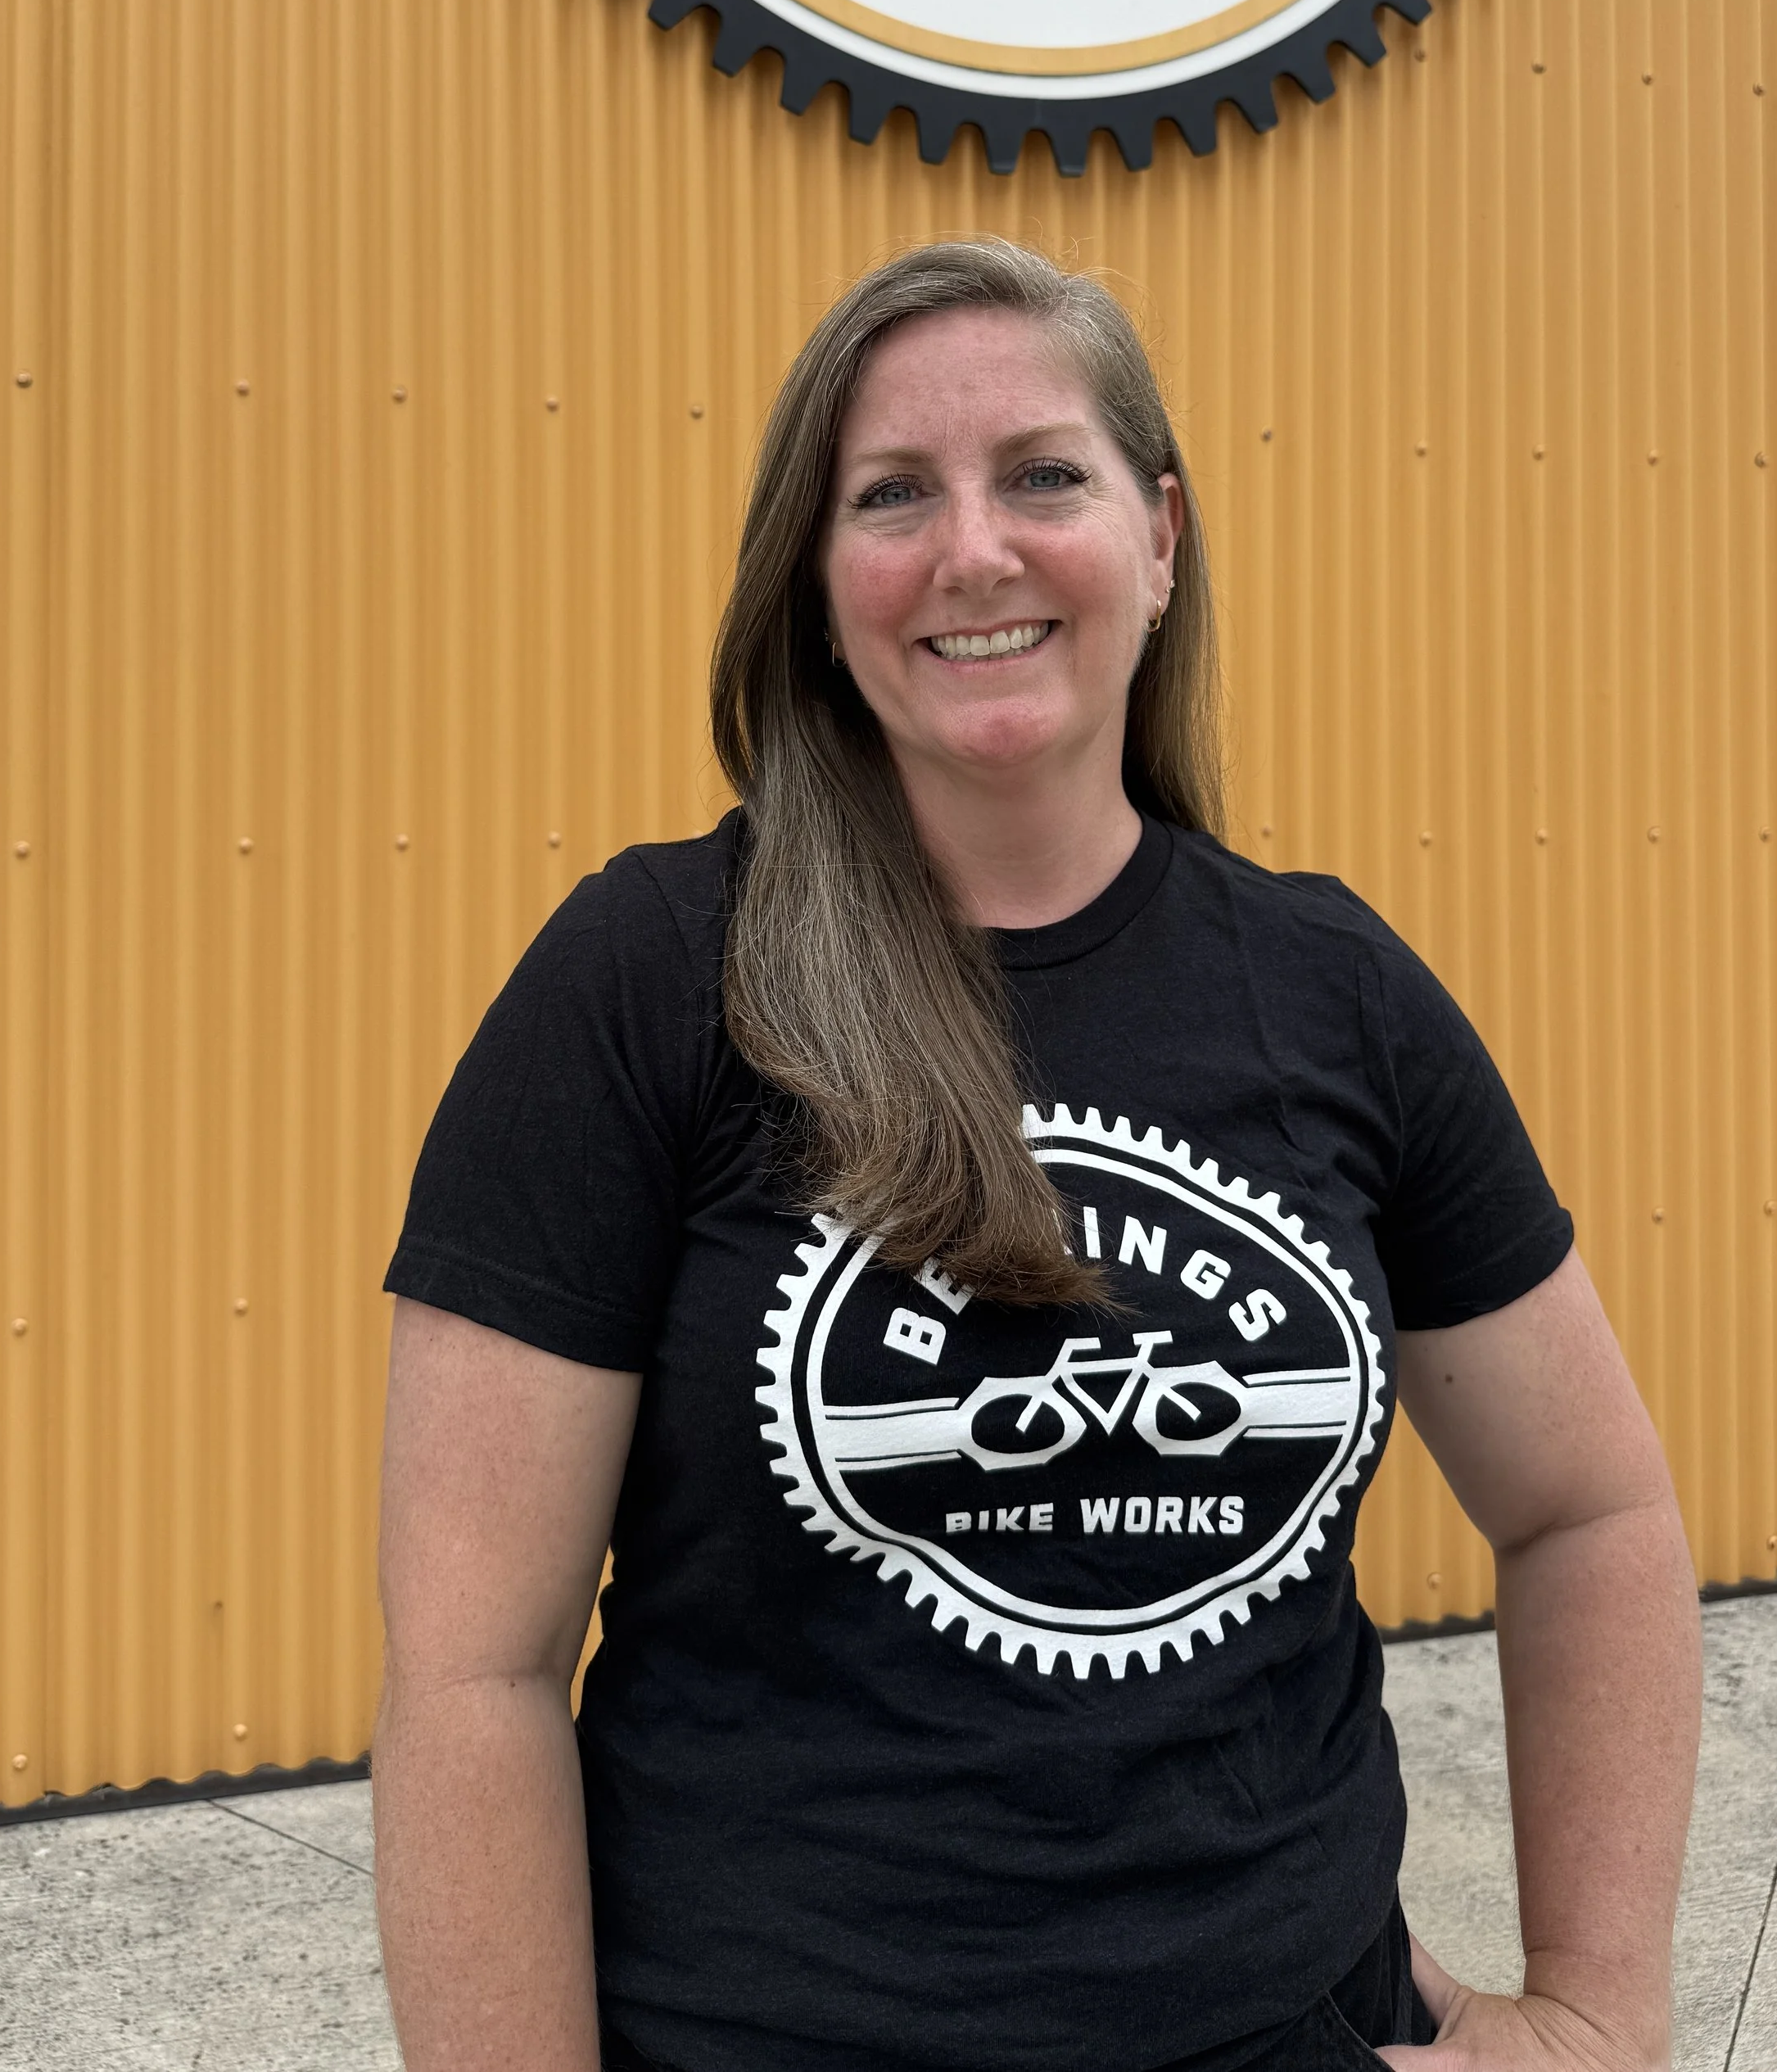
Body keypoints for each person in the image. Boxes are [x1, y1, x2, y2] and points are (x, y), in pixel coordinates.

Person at [373, 238, 1701, 2072]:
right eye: (890, 494)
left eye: (1042, 474)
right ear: (817, 578)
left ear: (1158, 538)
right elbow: (470, 1676)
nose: (971, 550)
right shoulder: (653, 979)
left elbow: (1592, 1512)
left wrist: (1597, 2017)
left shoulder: (1330, 990)